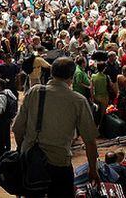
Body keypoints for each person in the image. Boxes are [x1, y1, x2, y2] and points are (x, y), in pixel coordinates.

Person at [13, 57, 99, 197]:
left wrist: (24, 151)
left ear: (51, 73)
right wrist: (93, 170)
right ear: (71, 76)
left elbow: (17, 128)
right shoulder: (77, 100)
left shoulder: (35, 92)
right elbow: (89, 141)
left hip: (31, 161)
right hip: (59, 164)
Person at [0, 79, 17, 157]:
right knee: (7, 134)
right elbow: (15, 99)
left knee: (0, 135)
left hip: (2, 118)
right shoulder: (8, 91)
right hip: (8, 117)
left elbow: (0, 109)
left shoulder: (0, 96)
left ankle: (0, 152)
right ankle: (8, 149)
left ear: (0, 86)